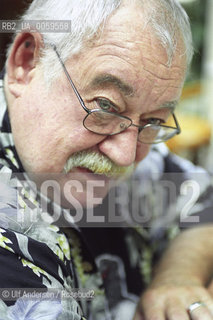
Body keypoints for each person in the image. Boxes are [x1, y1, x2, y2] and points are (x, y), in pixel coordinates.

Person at [0, 0, 213, 319]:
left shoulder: (122, 137)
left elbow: (201, 198)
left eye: (154, 121)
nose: (127, 156)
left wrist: (177, 277)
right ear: (27, 62)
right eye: (105, 107)